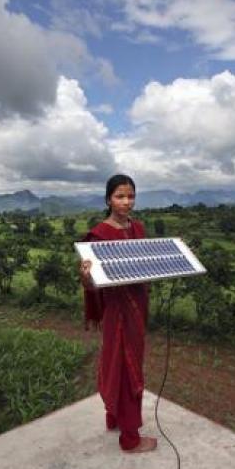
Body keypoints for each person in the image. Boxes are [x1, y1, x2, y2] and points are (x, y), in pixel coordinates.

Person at [79, 174, 157, 453]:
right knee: (123, 368)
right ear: (108, 199)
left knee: (126, 364)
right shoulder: (99, 234)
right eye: (120, 196)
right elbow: (92, 284)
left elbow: (144, 267)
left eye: (131, 196)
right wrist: (87, 278)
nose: (127, 202)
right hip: (118, 313)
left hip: (137, 310)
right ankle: (130, 439)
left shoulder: (138, 228)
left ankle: (114, 418)